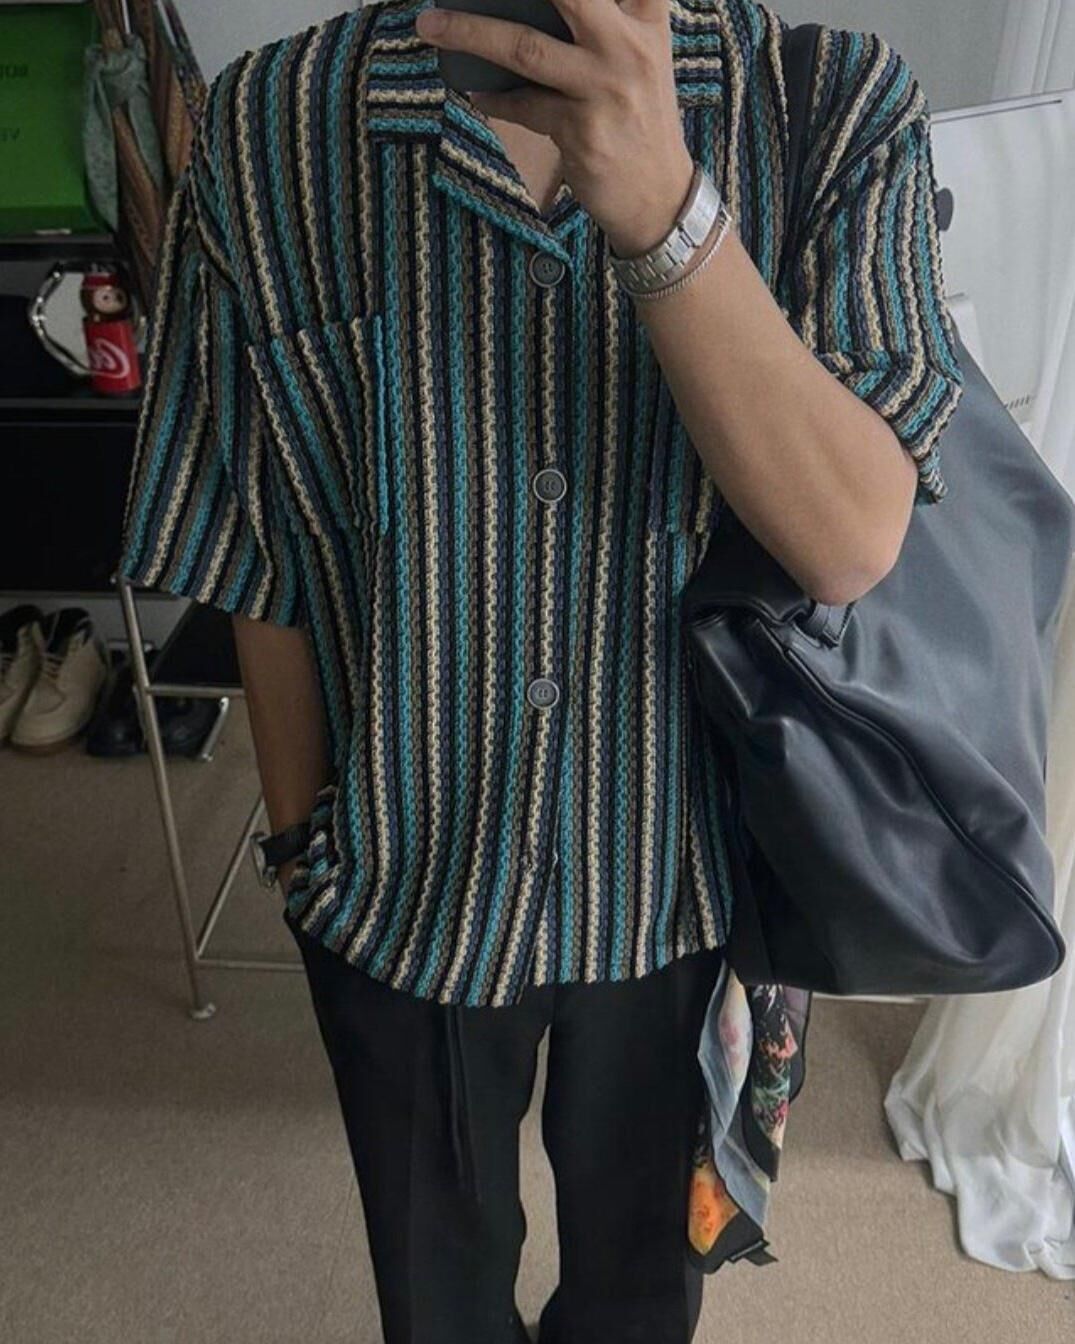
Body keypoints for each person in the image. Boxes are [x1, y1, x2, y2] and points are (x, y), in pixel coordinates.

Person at [116, 1, 965, 1340]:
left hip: (693, 888)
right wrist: (302, 856)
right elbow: (250, 537)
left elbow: (850, 538)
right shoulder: (273, 130)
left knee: (642, 1295)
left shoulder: (829, 109)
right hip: (399, 879)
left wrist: (668, 214)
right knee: (434, 1299)